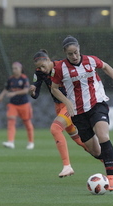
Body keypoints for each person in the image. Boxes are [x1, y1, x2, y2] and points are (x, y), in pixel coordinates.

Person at [51, 35, 113, 191]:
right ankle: (108, 160)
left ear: (79, 49)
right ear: (65, 53)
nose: (74, 56)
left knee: (103, 136)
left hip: (97, 104)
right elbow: (54, 89)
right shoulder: (60, 68)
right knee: (94, 150)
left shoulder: (91, 60)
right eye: (70, 54)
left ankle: (111, 180)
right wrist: (67, 102)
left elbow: (106, 67)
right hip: (78, 112)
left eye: (76, 52)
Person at [30, 49, 89, 177]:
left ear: (48, 60)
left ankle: (67, 166)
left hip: (69, 104)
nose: (41, 69)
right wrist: (33, 90)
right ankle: (105, 159)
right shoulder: (39, 72)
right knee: (79, 141)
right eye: (38, 67)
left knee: (55, 129)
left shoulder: (61, 67)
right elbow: (36, 92)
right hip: (58, 106)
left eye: (43, 65)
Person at [0, 62, 35, 150]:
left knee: (27, 123)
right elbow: (6, 89)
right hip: (13, 104)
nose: (14, 70)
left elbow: (25, 91)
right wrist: (1, 96)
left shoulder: (24, 78)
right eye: (13, 68)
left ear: (21, 69)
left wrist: (14, 93)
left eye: (16, 68)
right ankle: (10, 142)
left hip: (24, 104)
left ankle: (31, 142)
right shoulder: (11, 79)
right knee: (11, 121)